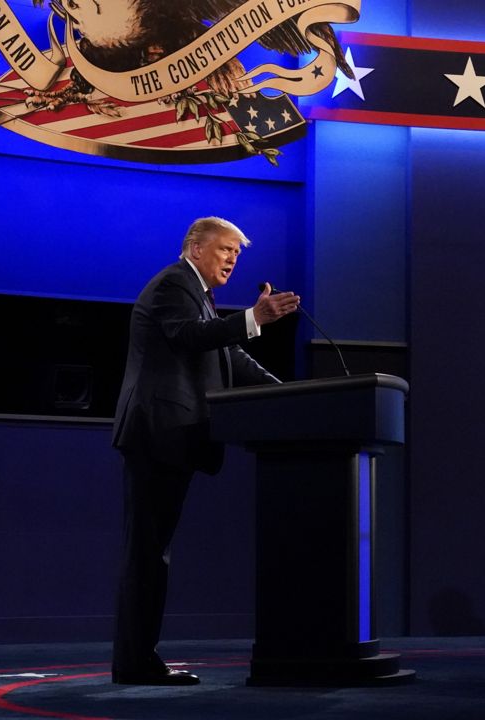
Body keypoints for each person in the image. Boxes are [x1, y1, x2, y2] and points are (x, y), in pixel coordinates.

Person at [110, 217, 300, 685]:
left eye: (238, 253)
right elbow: (189, 337)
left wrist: (289, 393)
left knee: (153, 552)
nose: (233, 259)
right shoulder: (175, 284)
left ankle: (138, 661)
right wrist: (254, 318)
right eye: (226, 249)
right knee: (148, 553)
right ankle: (136, 664)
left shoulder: (198, 295)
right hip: (157, 433)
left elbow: (228, 355)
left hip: (170, 437)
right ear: (195, 247)